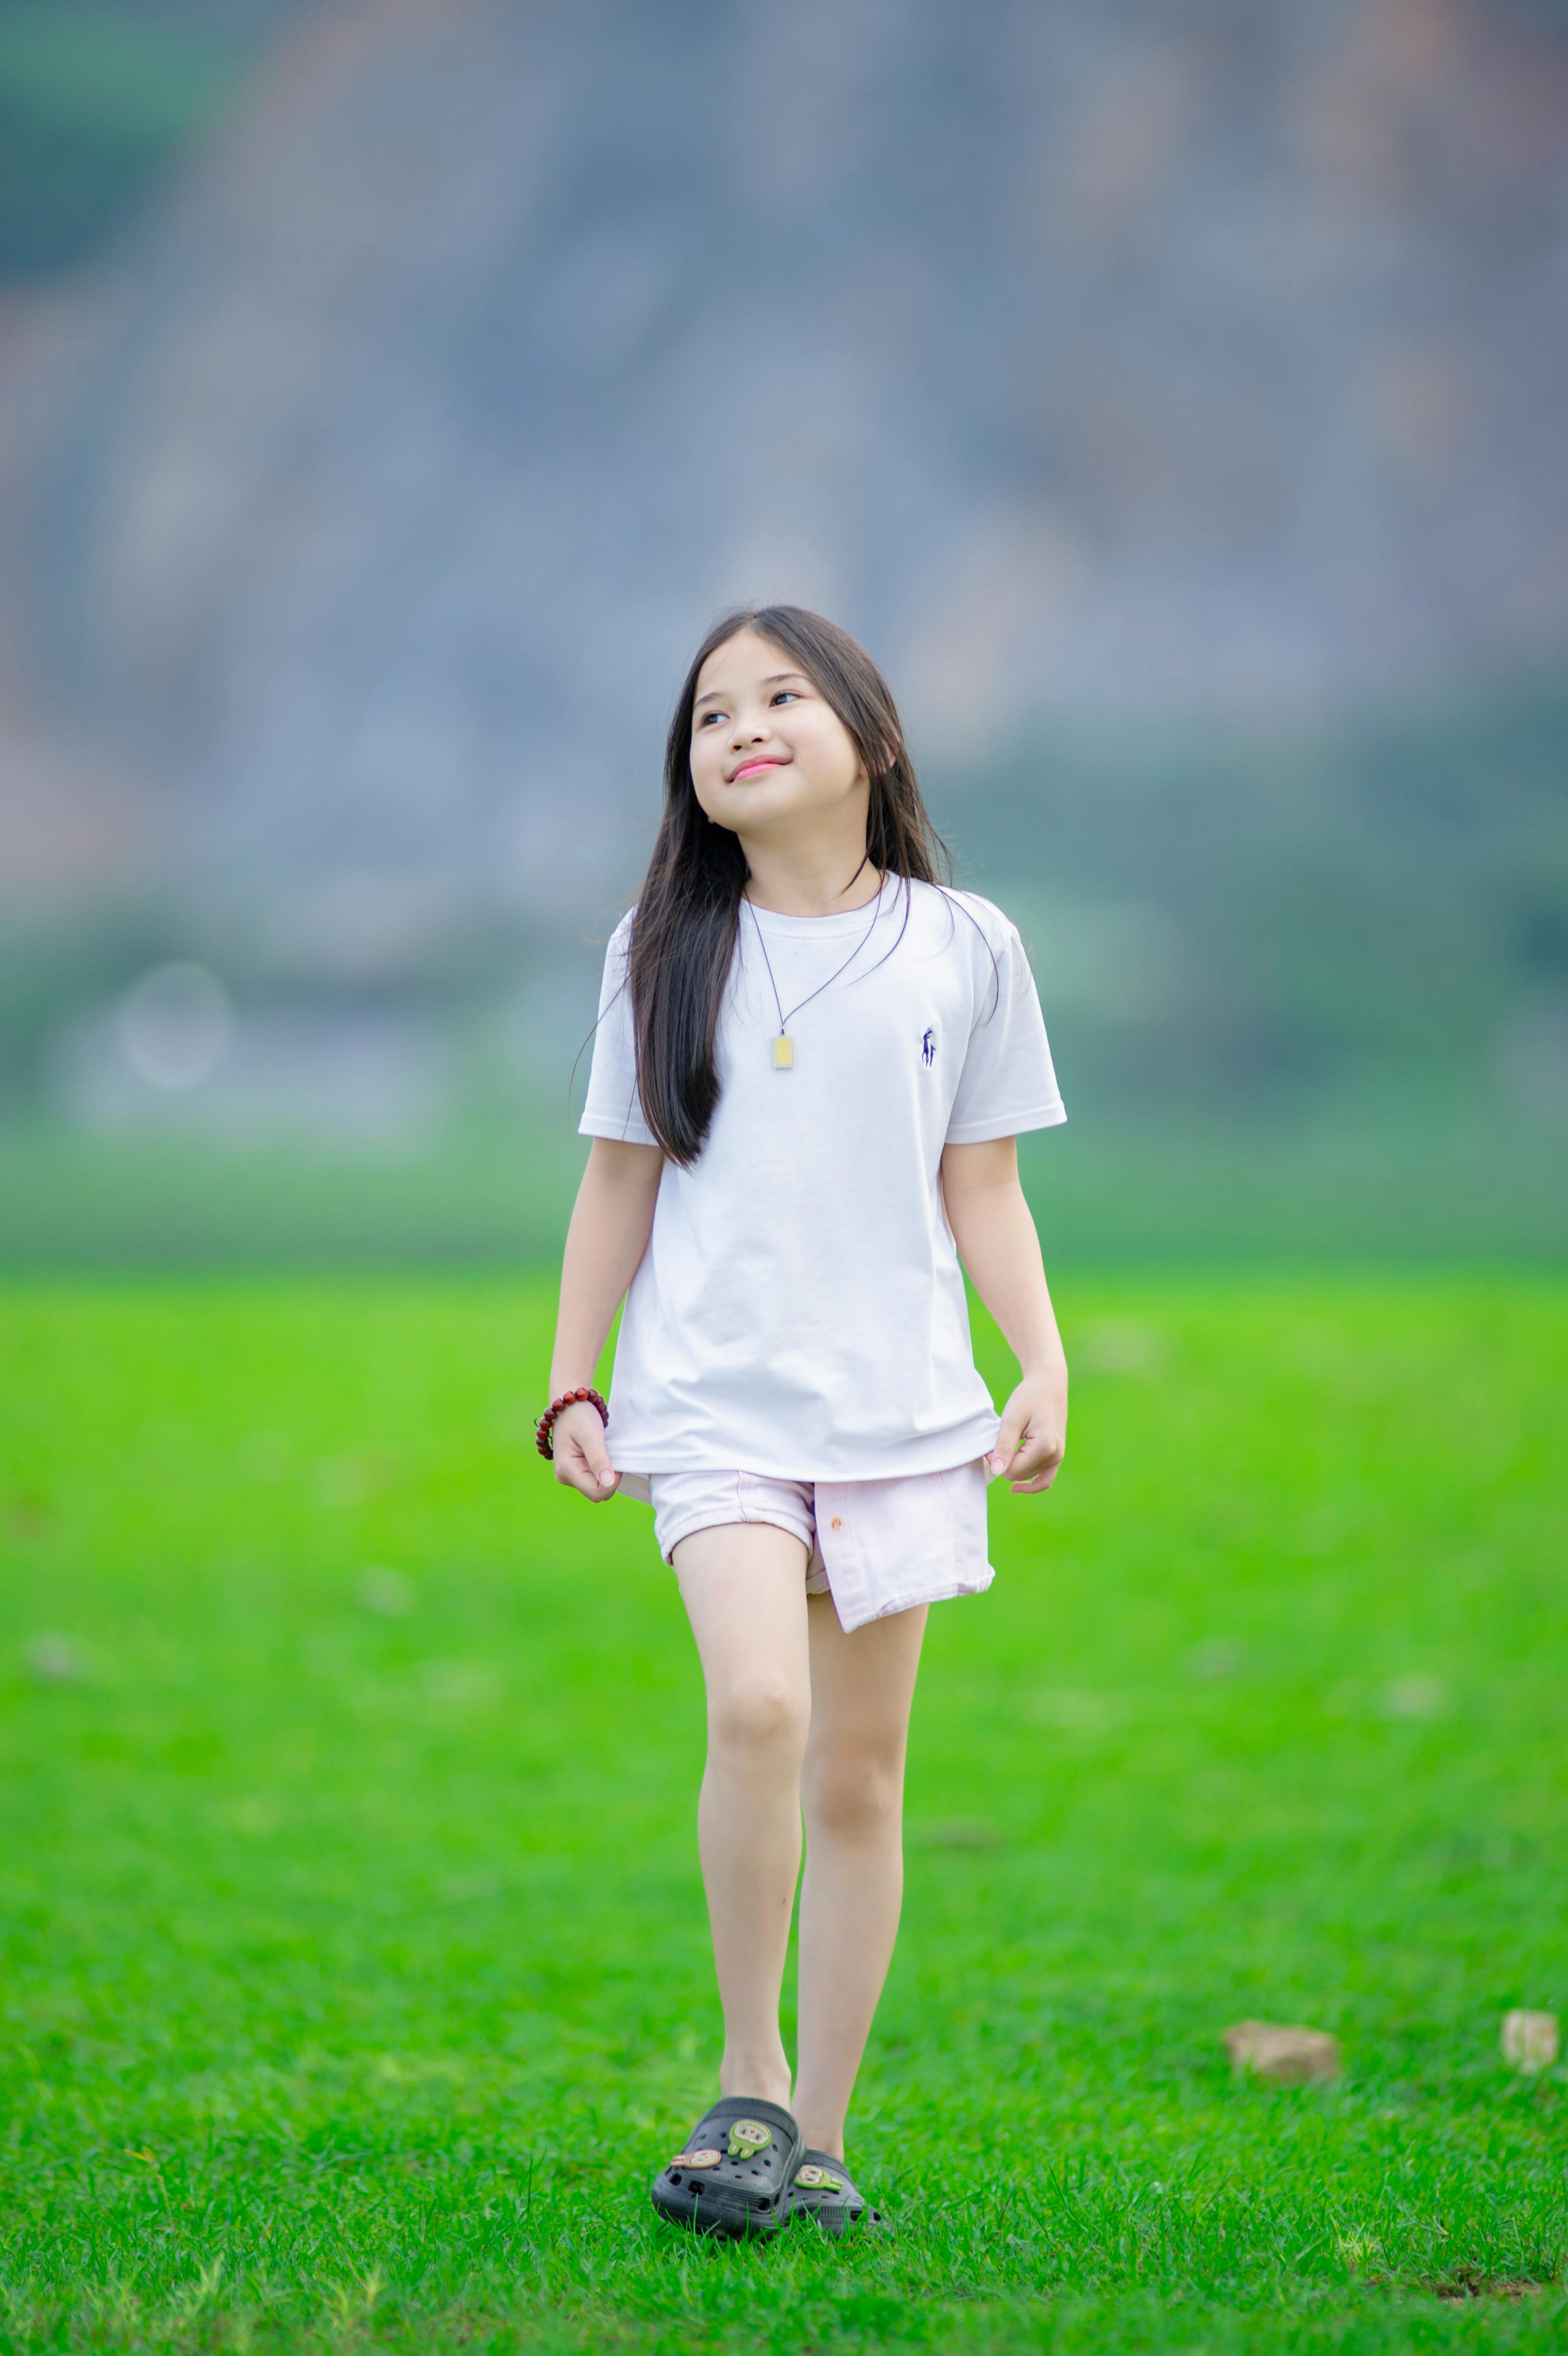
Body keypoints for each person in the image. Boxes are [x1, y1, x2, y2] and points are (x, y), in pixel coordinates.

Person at [538, 604, 1069, 2240]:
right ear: (691, 774)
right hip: (709, 1409)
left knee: (860, 1773)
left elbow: (981, 1174)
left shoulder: (965, 942)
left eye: (781, 697)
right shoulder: (658, 946)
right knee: (759, 1705)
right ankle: (749, 2074)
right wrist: (575, 1377)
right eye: (712, 714)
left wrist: (1038, 1358)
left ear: (873, 737)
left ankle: (820, 2139)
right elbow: (618, 1173)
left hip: (905, 1415)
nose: (742, 727)